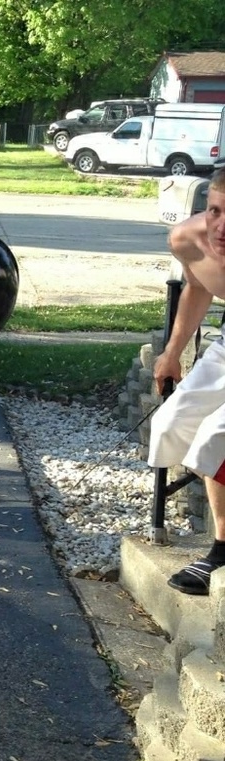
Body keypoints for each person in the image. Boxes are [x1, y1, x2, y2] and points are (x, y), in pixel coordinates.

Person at [148, 167, 225, 595]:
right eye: (215, 211)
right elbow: (197, 288)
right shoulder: (186, 239)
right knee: (173, 421)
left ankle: (221, 549)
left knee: (217, 435)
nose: (222, 226)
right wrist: (172, 353)